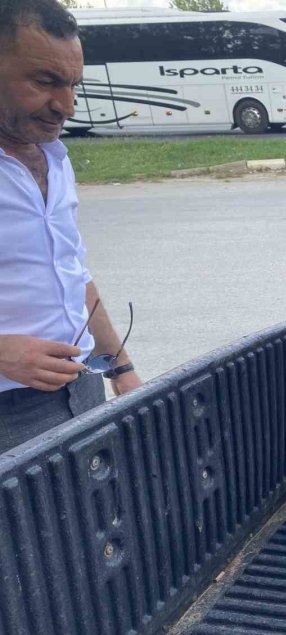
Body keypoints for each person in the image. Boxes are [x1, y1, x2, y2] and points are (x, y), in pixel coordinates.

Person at [0, 0, 141, 453]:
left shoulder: (55, 158)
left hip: (82, 388)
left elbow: (73, 272)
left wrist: (120, 367)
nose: (66, 106)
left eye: (73, 84)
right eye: (45, 82)